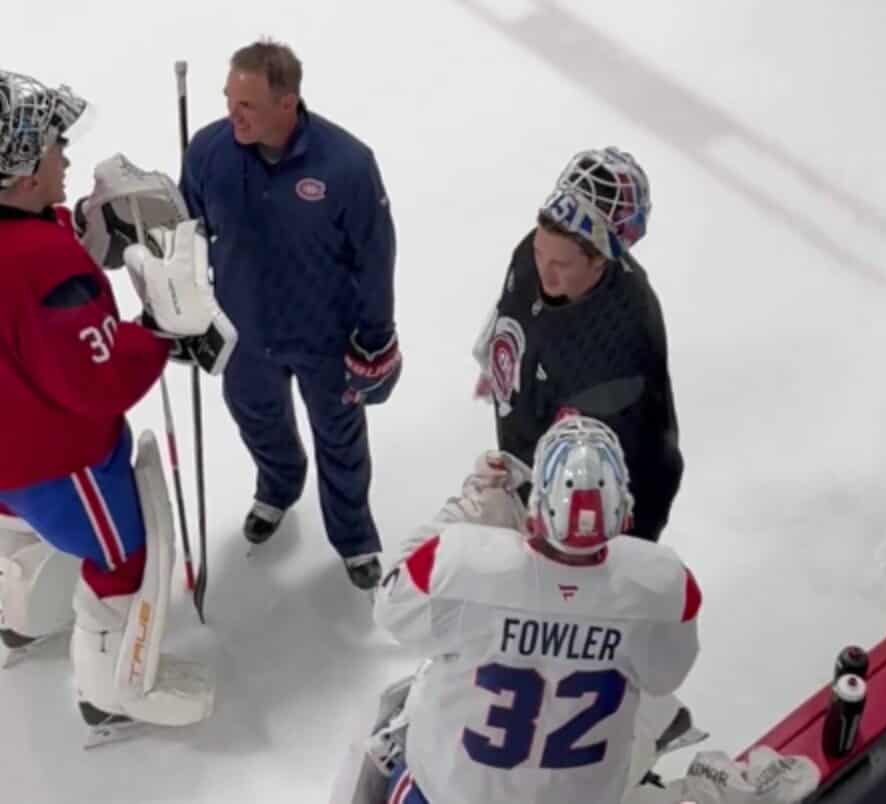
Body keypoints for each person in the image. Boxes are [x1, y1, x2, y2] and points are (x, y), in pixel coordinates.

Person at [0, 70, 230, 741]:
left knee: (18, 529)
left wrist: (74, 226)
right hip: (59, 457)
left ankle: (17, 616)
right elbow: (94, 381)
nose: (65, 157)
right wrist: (159, 327)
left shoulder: (30, 241)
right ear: (19, 168)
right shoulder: (42, 263)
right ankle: (114, 692)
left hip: (10, 460)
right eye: (52, 145)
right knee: (130, 553)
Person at [369, 415, 701, 804]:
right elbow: (664, 679)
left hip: (449, 794)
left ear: (534, 506)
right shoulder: (662, 584)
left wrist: (471, 509)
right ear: (623, 511)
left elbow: (389, 606)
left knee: (388, 728)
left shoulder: (460, 563)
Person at [180, 39, 400, 590]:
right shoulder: (208, 151)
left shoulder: (347, 164)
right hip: (243, 331)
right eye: (229, 98)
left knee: (341, 437)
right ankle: (278, 486)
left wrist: (375, 337)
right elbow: (184, 236)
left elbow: (375, 257)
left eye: (246, 104)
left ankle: (353, 536)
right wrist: (178, 307)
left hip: (324, 337)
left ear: (288, 103)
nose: (233, 114)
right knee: (255, 416)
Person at [473, 147, 682, 543]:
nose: (542, 272)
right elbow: (512, 322)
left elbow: (652, 467)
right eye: (539, 252)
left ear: (600, 260)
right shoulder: (528, 256)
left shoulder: (626, 334)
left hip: (583, 523)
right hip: (527, 480)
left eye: (561, 265)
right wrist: (499, 370)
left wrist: (615, 546)